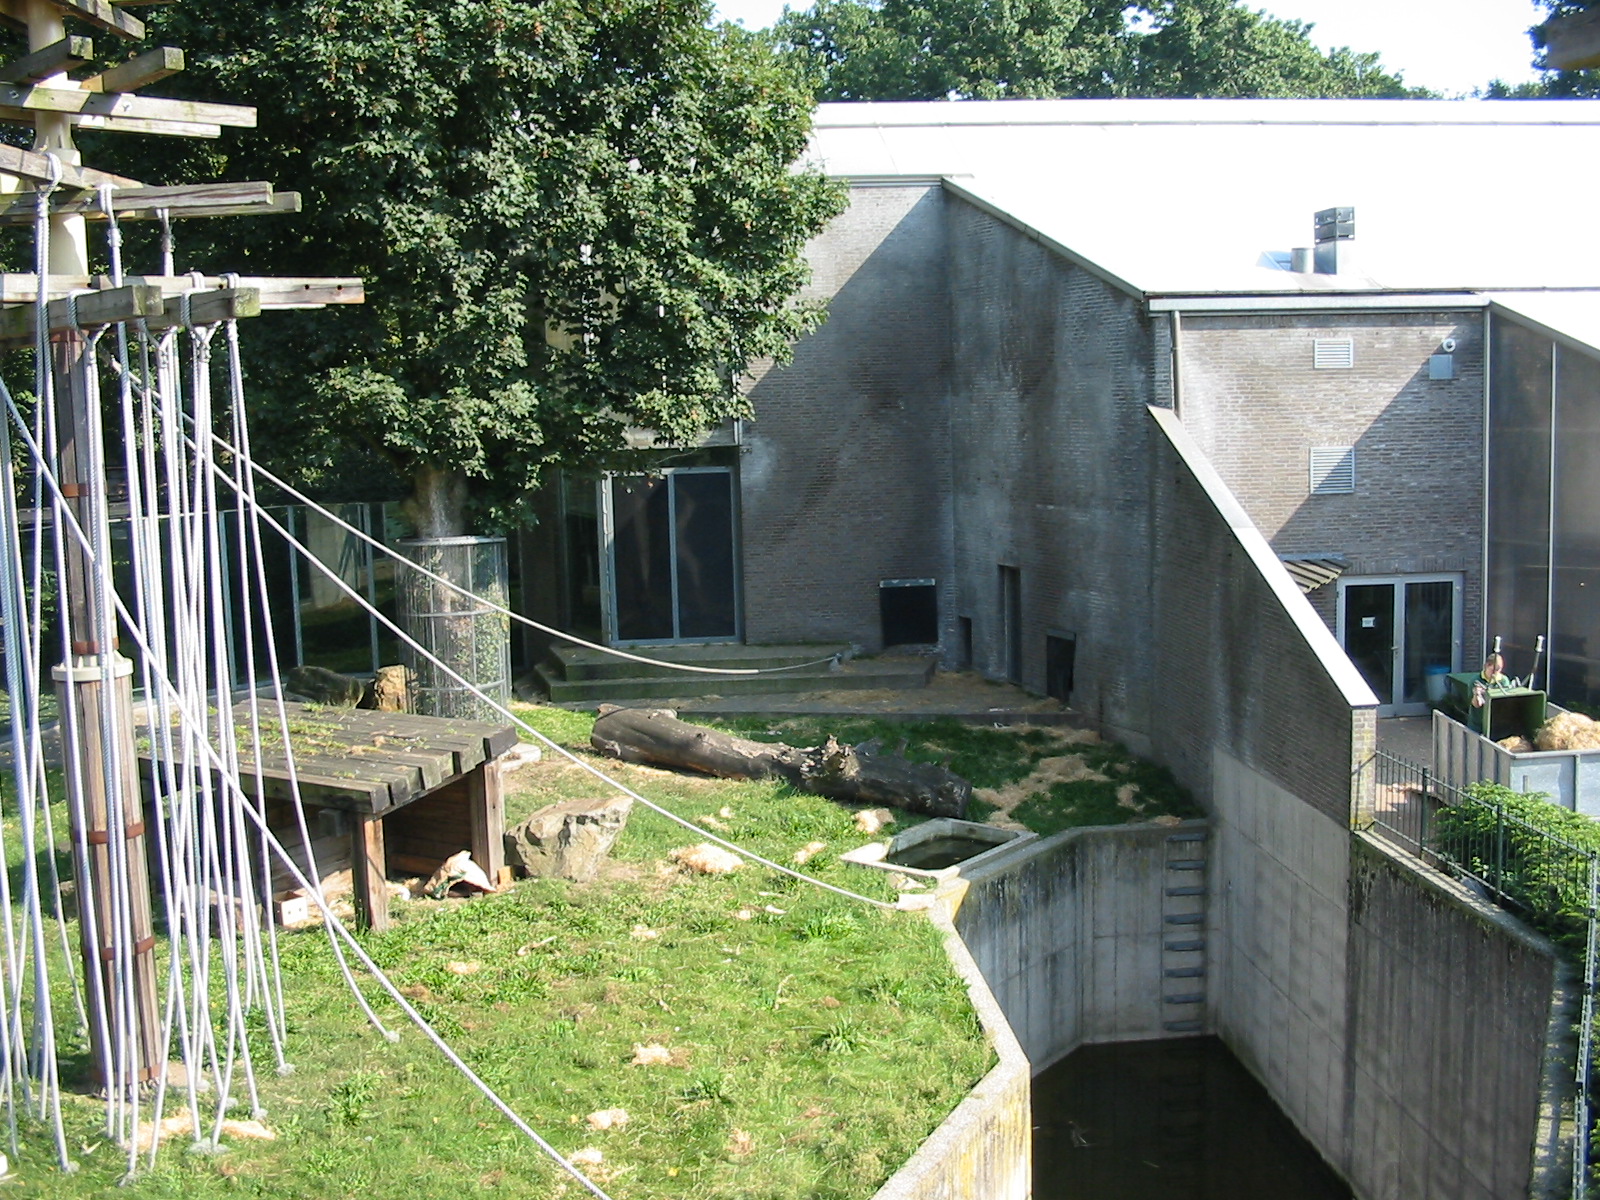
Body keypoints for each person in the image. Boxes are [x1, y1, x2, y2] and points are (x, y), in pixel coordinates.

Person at [1468, 653, 1509, 734]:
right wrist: (1477, 694)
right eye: (1494, 670)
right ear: (1486, 666)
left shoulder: (1504, 681)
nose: (1496, 673)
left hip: (1496, 725)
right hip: (1477, 725)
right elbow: (1476, 705)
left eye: (1499, 669)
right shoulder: (1476, 680)